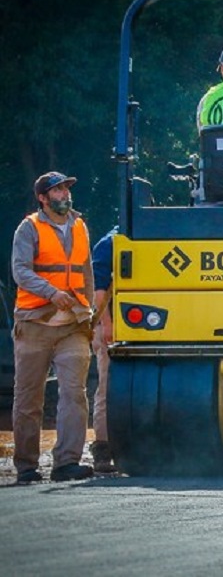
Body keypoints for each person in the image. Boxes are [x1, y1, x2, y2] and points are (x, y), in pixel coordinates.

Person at [10, 172, 95, 483]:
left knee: (74, 393)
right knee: (28, 398)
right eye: (56, 190)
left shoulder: (80, 225)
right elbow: (20, 271)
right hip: (34, 323)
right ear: (43, 199)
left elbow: (85, 272)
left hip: (73, 324)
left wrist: (89, 310)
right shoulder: (28, 227)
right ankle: (27, 466)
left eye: (65, 189)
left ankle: (66, 462)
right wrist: (51, 293)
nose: (63, 194)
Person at [88, 226, 117, 473]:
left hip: (132, 326)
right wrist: (107, 325)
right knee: (107, 388)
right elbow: (99, 289)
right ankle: (102, 450)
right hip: (111, 326)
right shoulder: (109, 243)